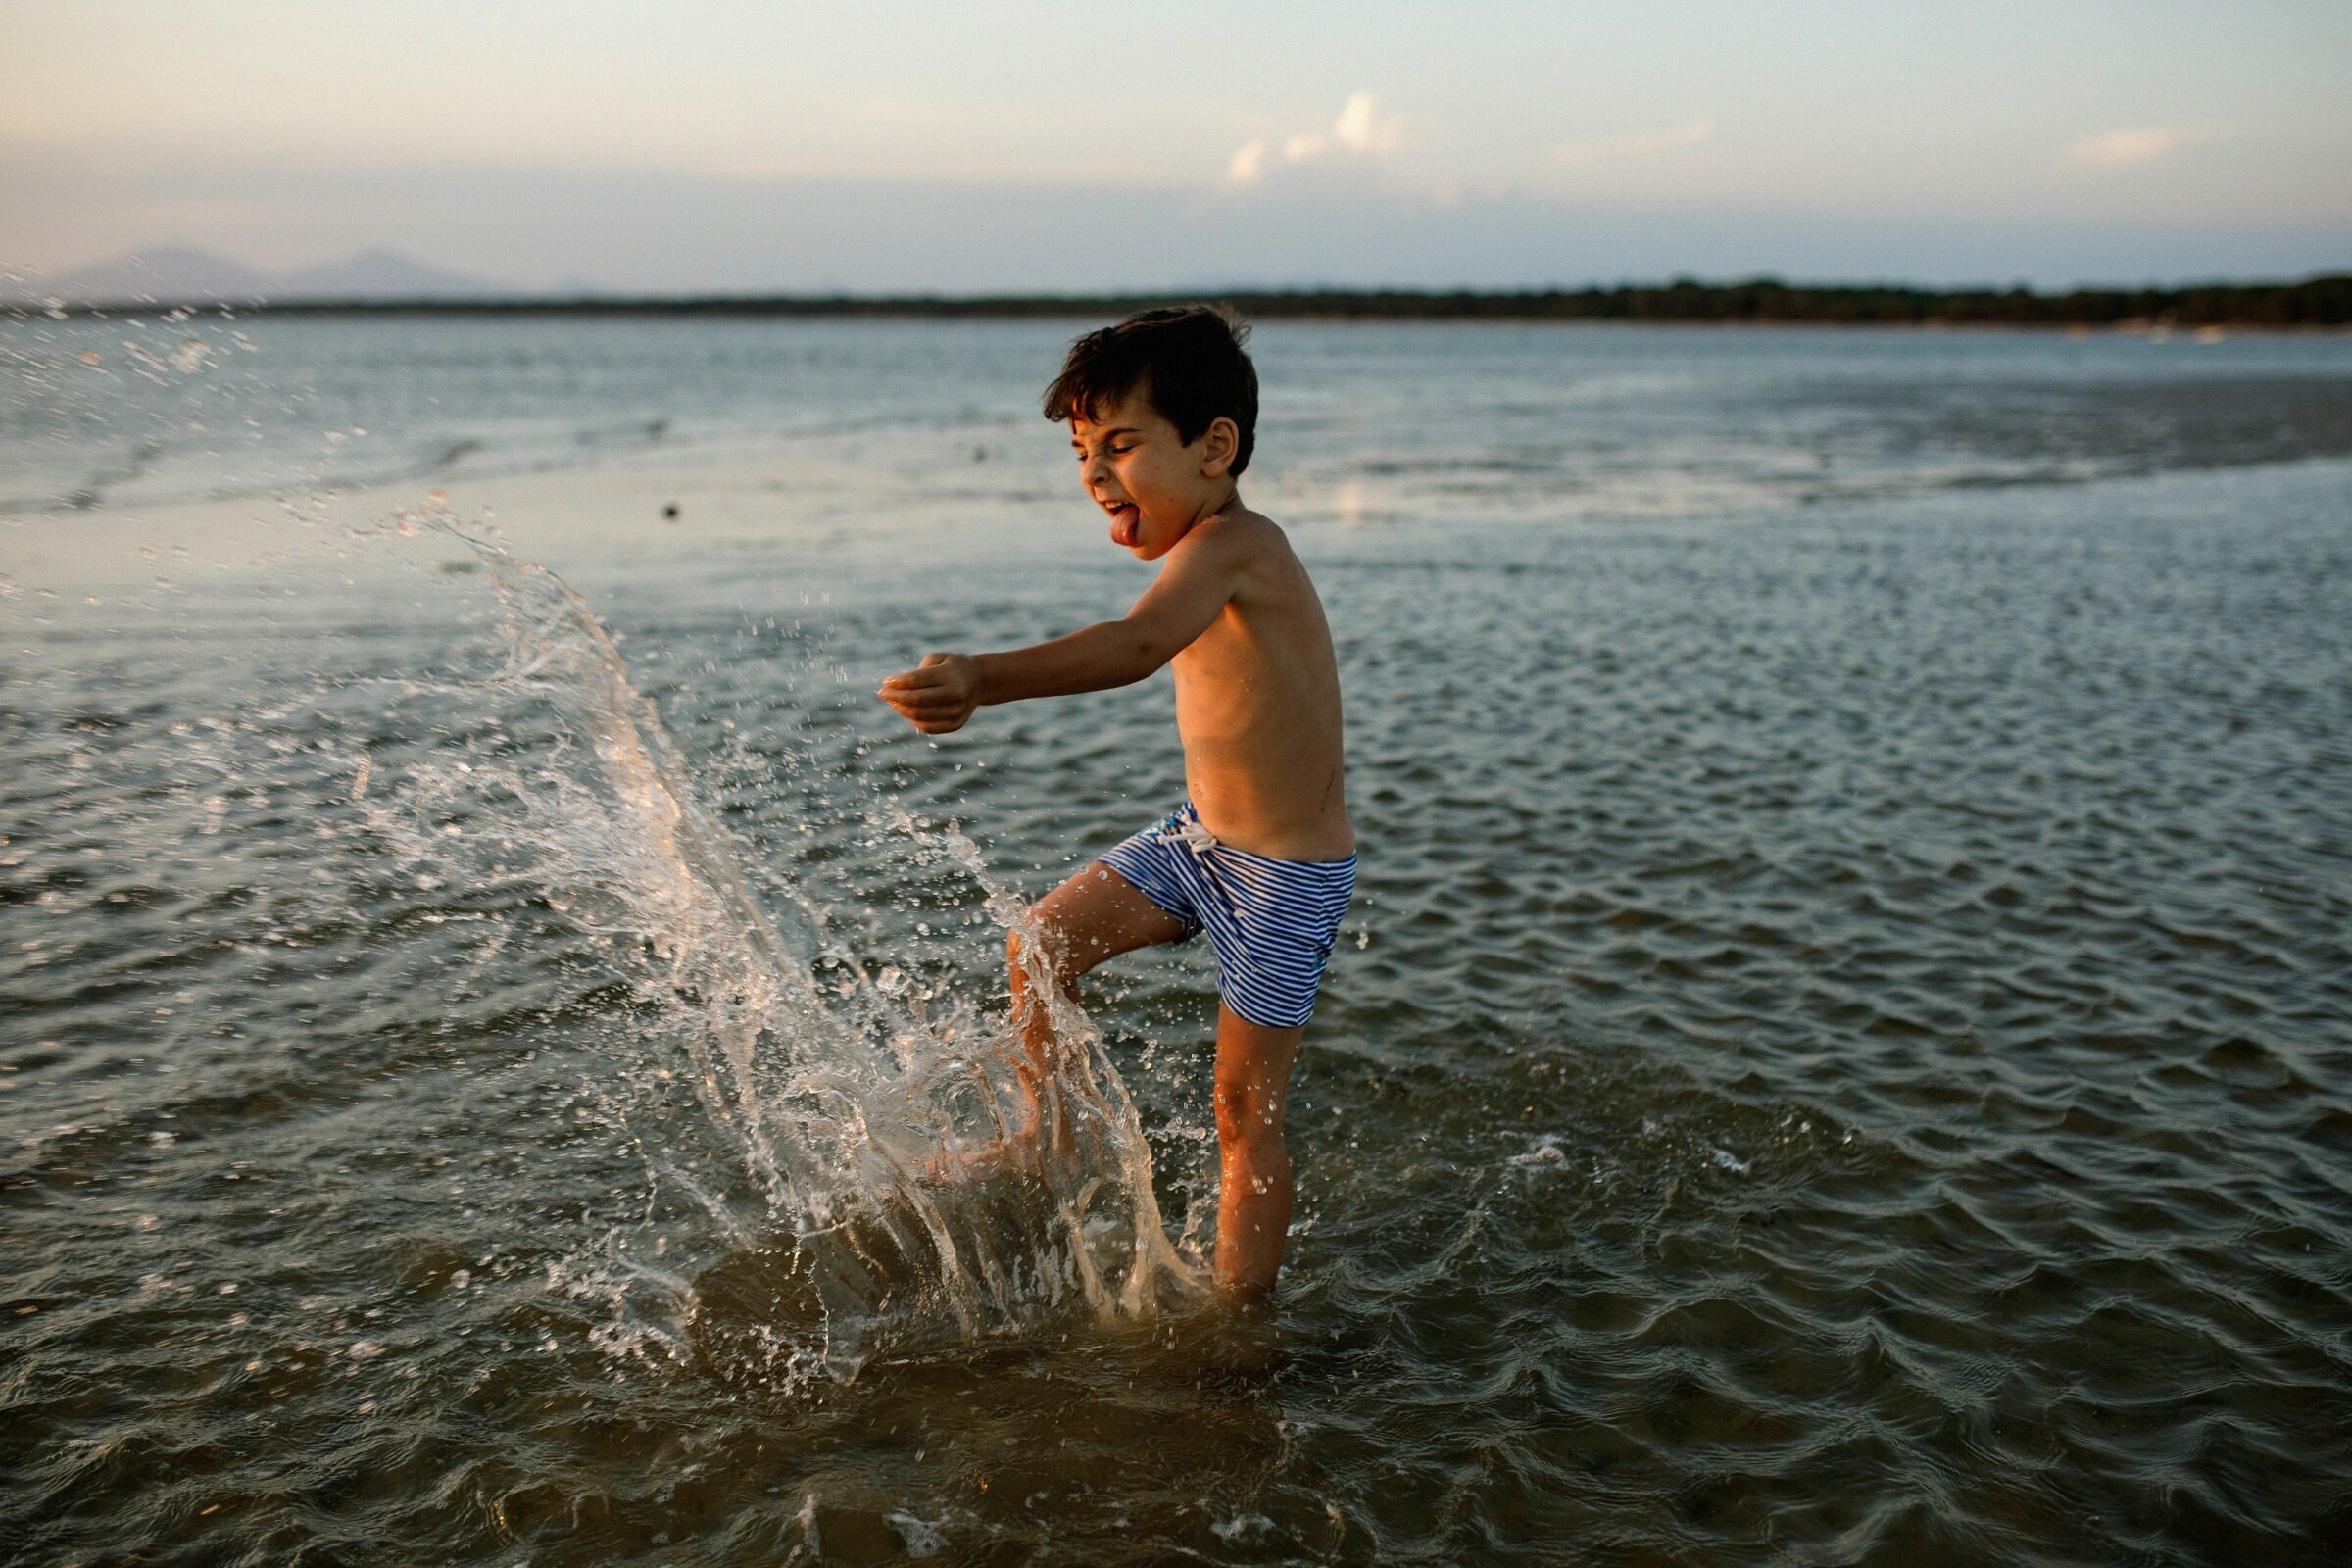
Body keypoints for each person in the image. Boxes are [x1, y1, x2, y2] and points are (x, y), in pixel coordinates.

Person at [877, 305, 1354, 1304]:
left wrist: (984, 677)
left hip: (1285, 878)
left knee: (1241, 1108)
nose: (1095, 473)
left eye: (1123, 445)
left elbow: (1136, 647)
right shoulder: (1203, 551)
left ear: (1214, 447)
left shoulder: (1238, 546)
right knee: (1039, 943)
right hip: (1197, 842)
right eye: (1084, 451)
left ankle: (1239, 1319)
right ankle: (1043, 1131)